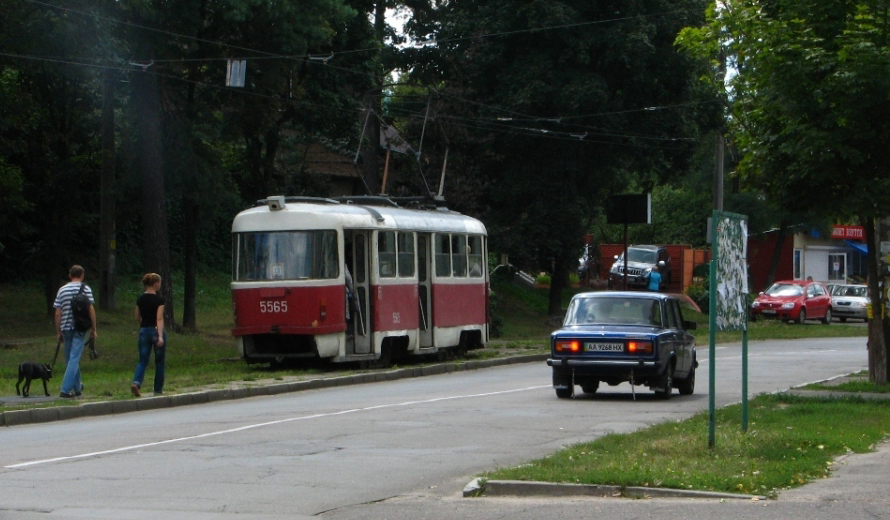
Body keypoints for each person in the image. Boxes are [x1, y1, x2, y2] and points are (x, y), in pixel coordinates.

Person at [54, 265, 96, 398]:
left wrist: (59, 331)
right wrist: (94, 328)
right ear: (82, 275)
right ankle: (65, 390)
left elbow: (57, 313)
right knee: (74, 359)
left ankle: (77, 387)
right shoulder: (86, 289)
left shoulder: (62, 290)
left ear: (69, 275)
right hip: (80, 328)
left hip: (66, 328)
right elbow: (90, 310)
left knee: (70, 359)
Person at [131, 273, 166, 397]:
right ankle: (157, 389)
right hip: (156, 331)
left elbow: (137, 317)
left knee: (143, 360)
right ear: (156, 283)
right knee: (159, 361)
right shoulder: (159, 300)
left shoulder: (140, 299)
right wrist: (160, 336)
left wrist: (144, 323)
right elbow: (159, 318)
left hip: (143, 330)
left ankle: (136, 382)